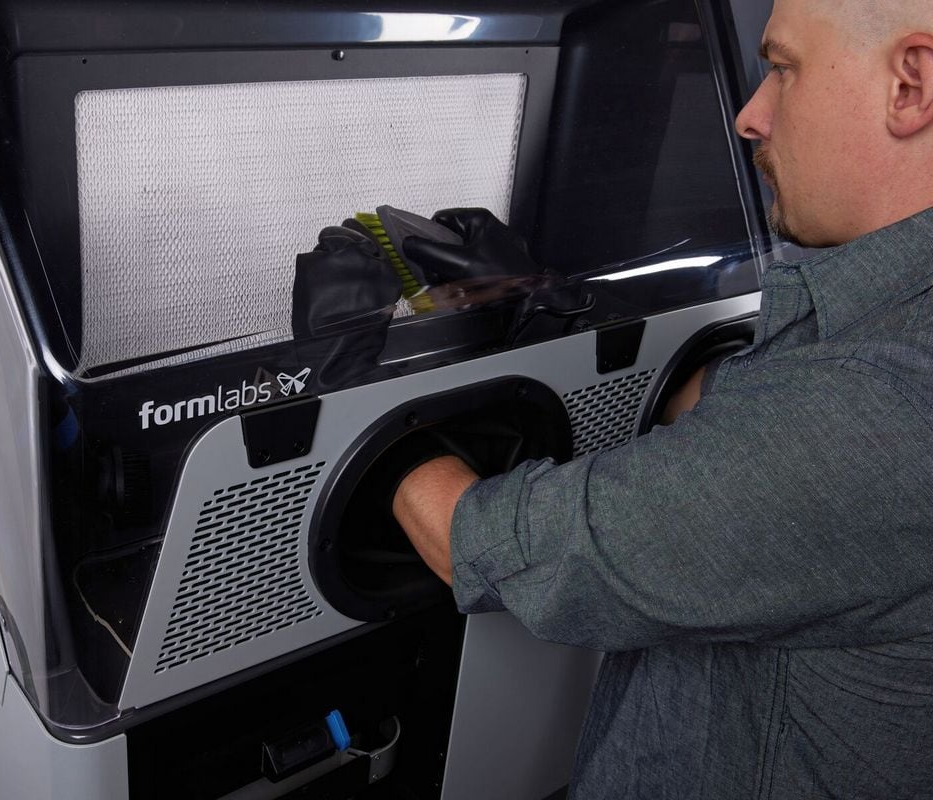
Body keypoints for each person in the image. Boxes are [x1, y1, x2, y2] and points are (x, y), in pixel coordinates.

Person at [391, 0, 933, 796]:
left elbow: (491, 547)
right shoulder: (883, 329)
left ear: (910, 84)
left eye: (783, 69)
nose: (749, 116)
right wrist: (557, 304)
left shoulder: (885, 403)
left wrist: (373, 380)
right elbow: (738, 402)